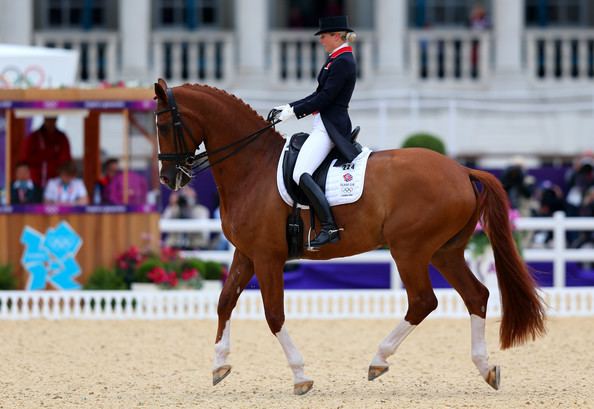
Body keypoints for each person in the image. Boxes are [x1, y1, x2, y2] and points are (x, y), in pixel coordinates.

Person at [273, 15, 358, 248]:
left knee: (300, 172)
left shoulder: (343, 61)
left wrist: (293, 112)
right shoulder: (335, 59)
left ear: (336, 36)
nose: (321, 40)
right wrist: (289, 108)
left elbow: (326, 98)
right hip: (322, 123)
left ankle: (329, 226)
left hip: (331, 128)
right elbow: (317, 95)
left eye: (324, 36)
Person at [18, 117, 72, 188]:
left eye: (53, 119)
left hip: (56, 183)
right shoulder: (33, 137)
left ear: (56, 120)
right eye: (48, 119)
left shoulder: (62, 137)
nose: (50, 122)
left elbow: (66, 160)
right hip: (35, 182)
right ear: (44, 119)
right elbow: (24, 159)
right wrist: (45, 155)